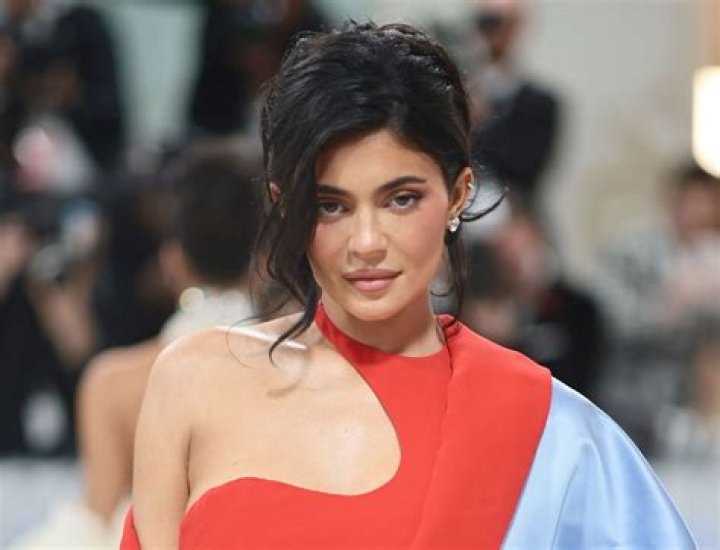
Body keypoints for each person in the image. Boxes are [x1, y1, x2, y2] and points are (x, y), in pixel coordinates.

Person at [120, 22, 694, 548]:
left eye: (401, 199)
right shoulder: (194, 378)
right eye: (330, 205)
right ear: (284, 205)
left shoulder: (549, 429)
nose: (367, 242)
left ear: (459, 194)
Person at [9, 144, 259, 548]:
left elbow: (97, 520)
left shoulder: (116, 384)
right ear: (266, 254)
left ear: (173, 260)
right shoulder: (300, 366)